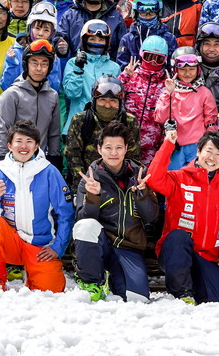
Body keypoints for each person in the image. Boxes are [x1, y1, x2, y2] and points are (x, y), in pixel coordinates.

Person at [0, 121, 73, 293]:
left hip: (38, 244)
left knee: (52, 289)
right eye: (19, 141)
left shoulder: (49, 171)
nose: (23, 146)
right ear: (9, 145)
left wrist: (58, 247)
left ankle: (34, 273)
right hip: (9, 241)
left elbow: (65, 212)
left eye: (29, 141)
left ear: (36, 146)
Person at [73, 120, 160, 302]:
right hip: (102, 243)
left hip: (129, 247)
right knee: (86, 226)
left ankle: (111, 277)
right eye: (108, 147)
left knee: (138, 299)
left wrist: (142, 194)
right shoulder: (90, 178)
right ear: (99, 149)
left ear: (126, 148)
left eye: (119, 147)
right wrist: (93, 196)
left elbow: (151, 217)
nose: (114, 153)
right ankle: (92, 282)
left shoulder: (139, 175)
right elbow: (82, 221)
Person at [146, 128, 219, 305]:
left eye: (218, 154)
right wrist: (168, 144)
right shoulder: (179, 178)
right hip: (175, 252)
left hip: (207, 257)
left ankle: (197, 287)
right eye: (209, 151)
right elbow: (153, 179)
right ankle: (182, 294)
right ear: (199, 151)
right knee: (178, 236)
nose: (212, 158)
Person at [0, 39, 61, 162]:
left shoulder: (52, 96)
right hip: (14, 160)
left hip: (40, 161)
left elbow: (54, 132)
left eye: (44, 64)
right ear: (26, 64)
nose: (39, 68)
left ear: (49, 67)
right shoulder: (12, 94)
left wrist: (54, 156)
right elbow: (3, 129)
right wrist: (1, 159)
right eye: (34, 63)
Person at [63, 77, 142, 178]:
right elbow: (72, 154)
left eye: (113, 101)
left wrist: (121, 183)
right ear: (95, 101)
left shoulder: (129, 122)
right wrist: (85, 181)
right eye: (102, 100)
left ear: (120, 103)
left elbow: (133, 156)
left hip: (119, 181)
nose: (107, 105)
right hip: (86, 179)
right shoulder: (80, 120)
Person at [155, 48, 219, 169]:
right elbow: (160, 118)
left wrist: (208, 145)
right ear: (175, 70)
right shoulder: (170, 92)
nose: (187, 73)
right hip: (175, 145)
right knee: (173, 180)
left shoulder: (204, 92)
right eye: (182, 70)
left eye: (191, 69)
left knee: (194, 181)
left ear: (197, 69)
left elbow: (211, 120)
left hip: (197, 146)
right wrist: (169, 93)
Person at [61, 20, 123, 135]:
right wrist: (78, 70)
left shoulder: (114, 67)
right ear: (85, 40)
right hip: (77, 126)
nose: (97, 43)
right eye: (92, 39)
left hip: (105, 130)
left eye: (101, 40)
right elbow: (72, 94)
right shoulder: (72, 63)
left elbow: (118, 101)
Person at [56, 0, 127, 57]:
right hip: (78, 68)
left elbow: (123, 48)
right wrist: (60, 48)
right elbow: (59, 38)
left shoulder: (115, 16)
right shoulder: (71, 15)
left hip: (107, 69)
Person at [119, 34, 168, 166]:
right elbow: (115, 99)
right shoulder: (131, 76)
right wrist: (125, 77)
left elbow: (168, 117)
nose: (153, 62)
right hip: (125, 141)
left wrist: (162, 144)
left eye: (159, 59)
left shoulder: (166, 84)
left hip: (151, 144)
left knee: (145, 181)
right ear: (141, 55)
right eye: (149, 57)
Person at [1, 1, 64, 91]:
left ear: (51, 33)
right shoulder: (16, 53)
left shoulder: (53, 56)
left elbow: (54, 89)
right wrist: (11, 63)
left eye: (46, 30)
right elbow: (6, 87)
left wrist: (53, 67)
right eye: (37, 28)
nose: (41, 34)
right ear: (30, 29)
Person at [116, 0, 179, 67]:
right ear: (136, 13)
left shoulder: (169, 38)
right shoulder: (128, 39)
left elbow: (171, 65)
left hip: (160, 78)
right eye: (143, 12)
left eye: (152, 12)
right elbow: (122, 64)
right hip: (133, 78)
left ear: (158, 12)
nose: (148, 16)